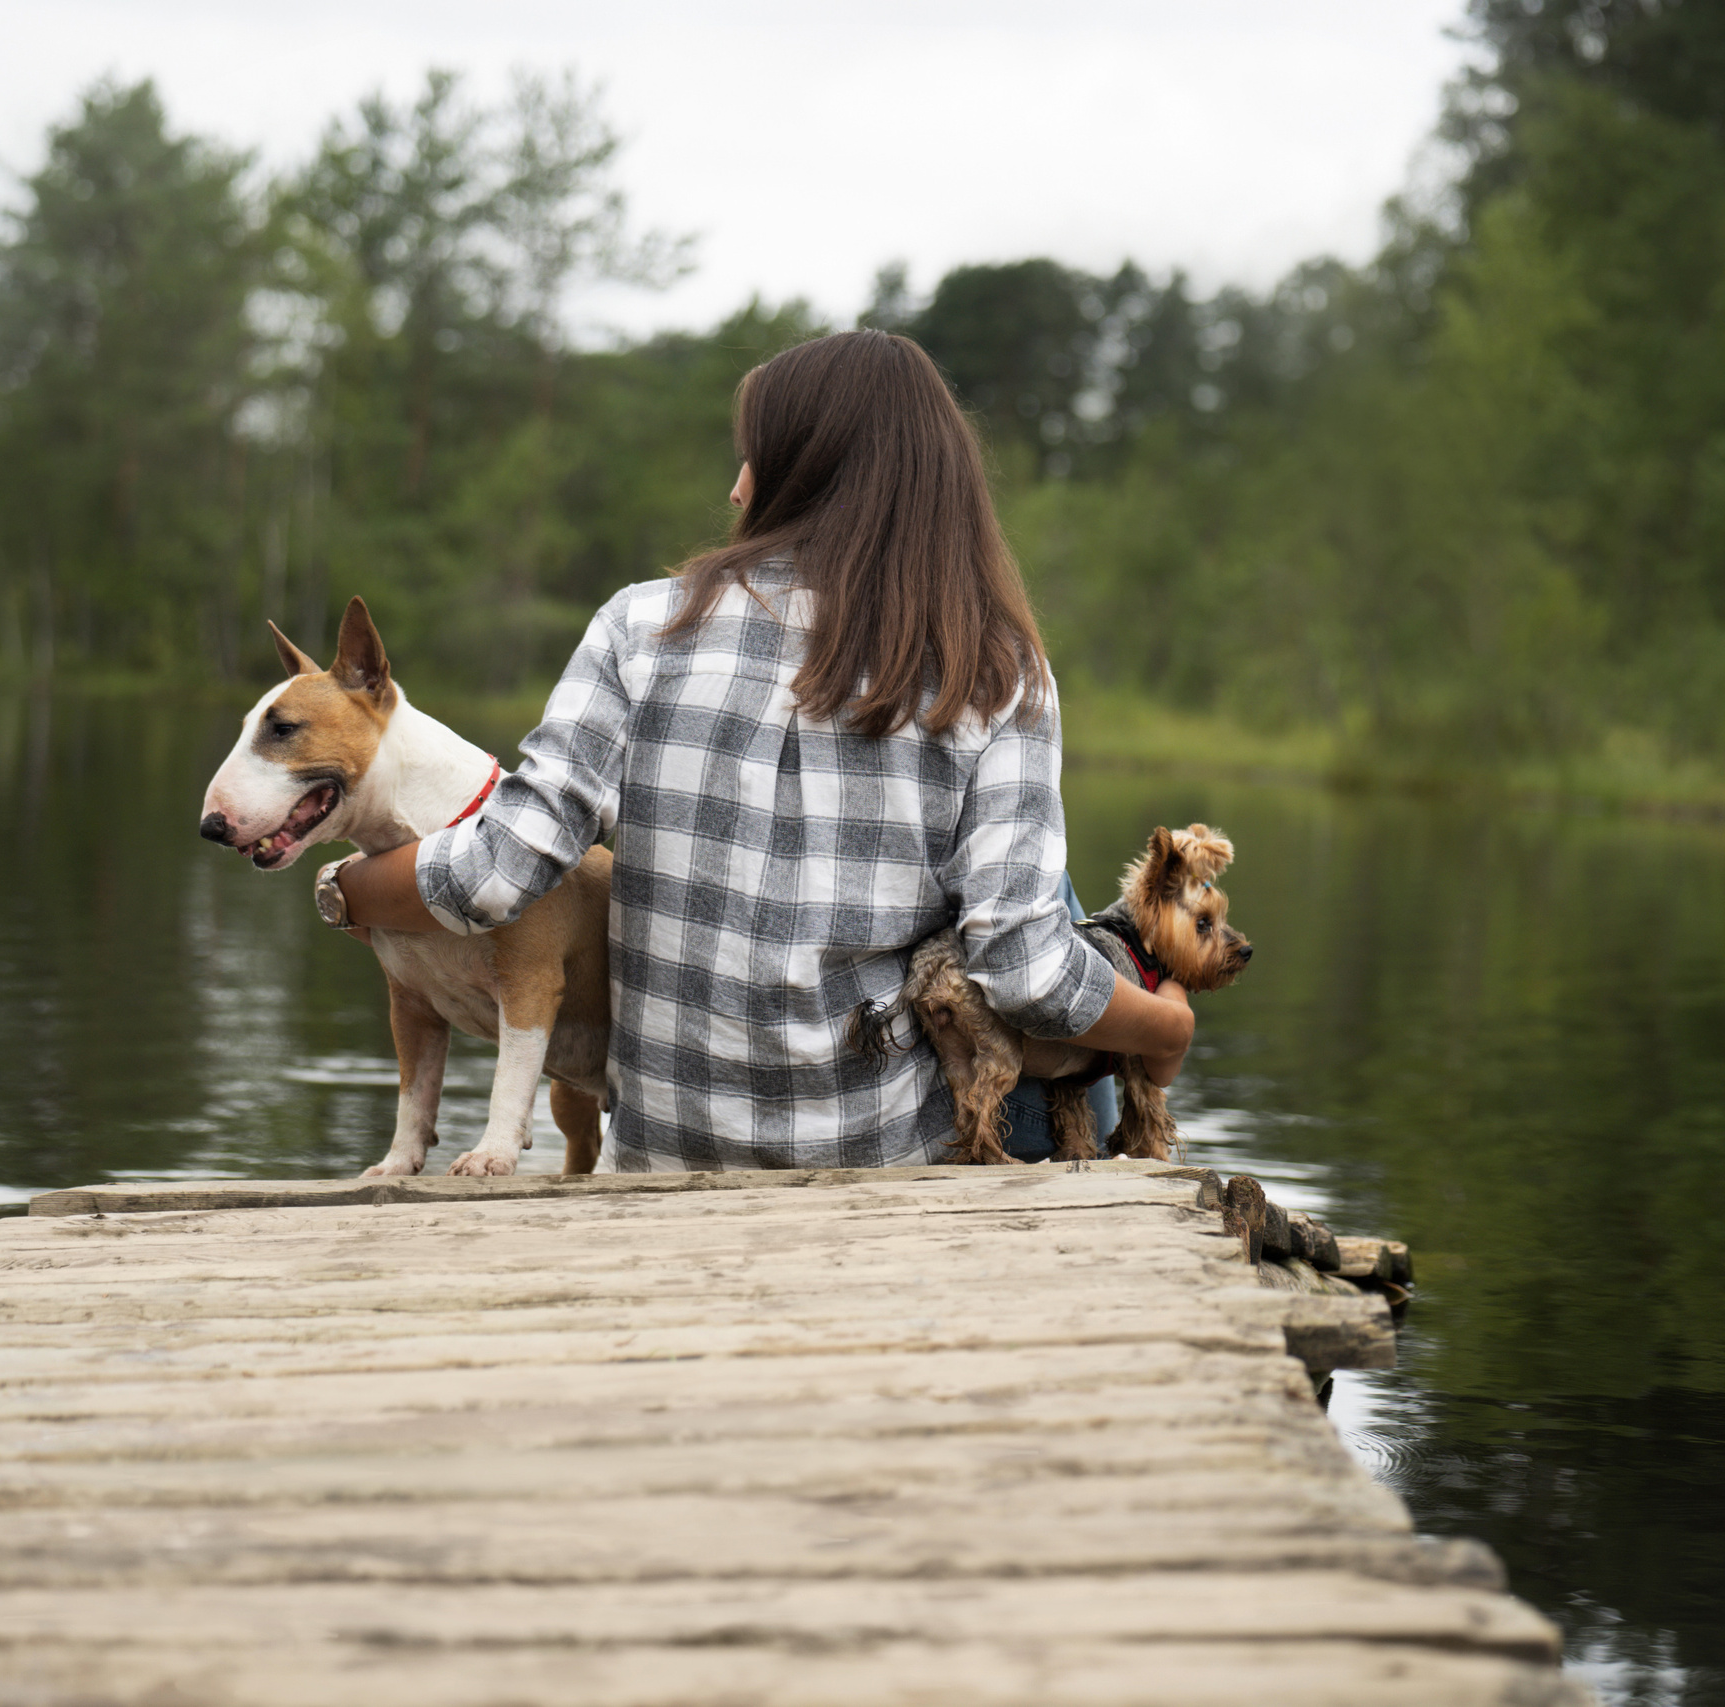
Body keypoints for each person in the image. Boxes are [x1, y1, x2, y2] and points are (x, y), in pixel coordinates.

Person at [326, 329, 1191, 1171]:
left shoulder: (639, 625)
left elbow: (500, 868)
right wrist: (1167, 1029)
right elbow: (1021, 965)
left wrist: (345, 889)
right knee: (1055, 906)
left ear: (803, 474)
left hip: (667, 1150)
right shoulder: (1000, 670)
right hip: (880, 1161)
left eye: (753, 460)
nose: (737, 491)